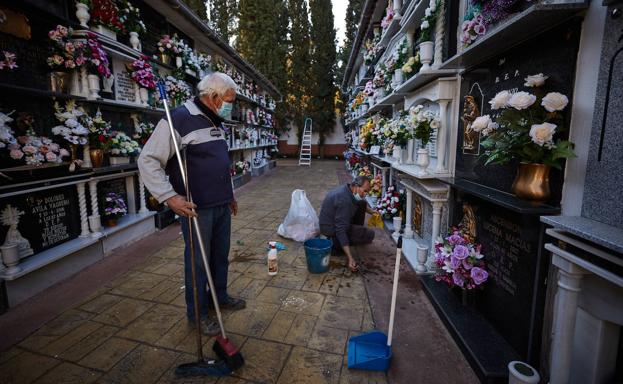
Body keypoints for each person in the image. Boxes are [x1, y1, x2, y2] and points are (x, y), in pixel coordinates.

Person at [138, 72, 245, 336]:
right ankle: (196, 314)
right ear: (214, 97)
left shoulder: (217, 120)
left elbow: (219, 161)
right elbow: (148, 159)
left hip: (220, 204)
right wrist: (170, 197)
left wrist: (229, 194)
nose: (232, 105)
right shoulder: (179, 118)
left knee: (220, 256)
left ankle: (219, 297)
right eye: (229, 100)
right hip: (196, 208)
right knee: (199, 262)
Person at [319, 176, 377, 272]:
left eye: (367, 192)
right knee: (369, 234)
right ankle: (335, 245)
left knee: (362, 203)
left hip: (334, 222)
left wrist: (372, 212)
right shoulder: (344, 201)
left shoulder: (348, 189)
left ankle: (353, 233)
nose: (365, 194)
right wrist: (350, 258)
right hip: (331, 232)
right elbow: (340, 230)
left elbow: (362, 204)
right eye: (365, 191)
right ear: (356, 186)